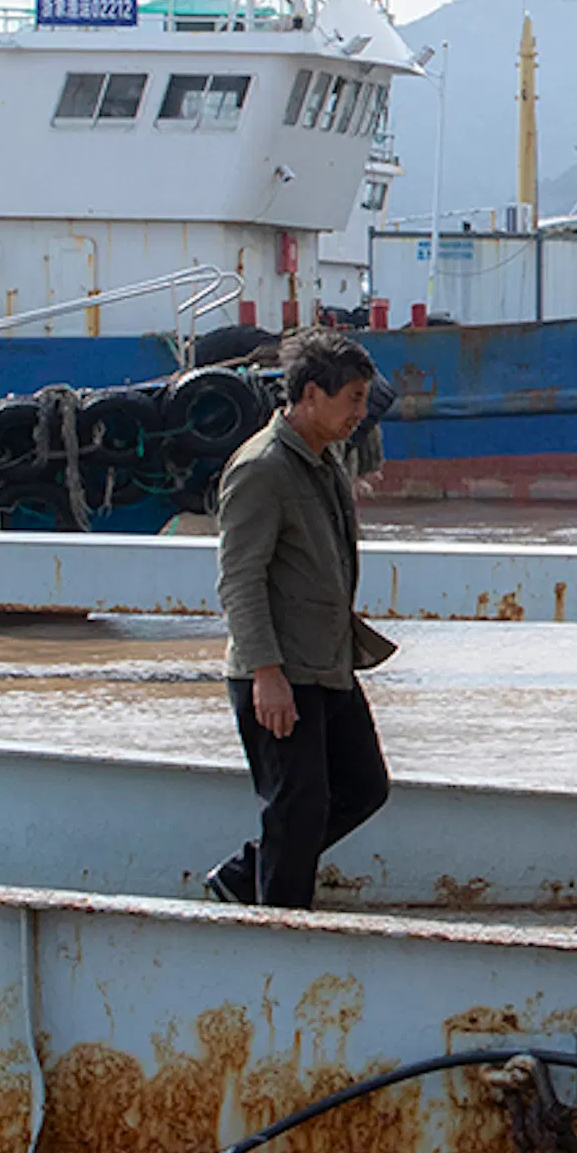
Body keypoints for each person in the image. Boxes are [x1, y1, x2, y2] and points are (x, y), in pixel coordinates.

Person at [202, 329, 398, 911]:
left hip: (327, 662)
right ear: (311, 395)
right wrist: (266, 674)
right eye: (353, 399)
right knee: (297, 805)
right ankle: (282, 930)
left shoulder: (324, 457)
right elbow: (239, 579)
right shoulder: (261, 469)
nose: (360, 414)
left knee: (364, 787)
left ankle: (243, 878)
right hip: (281, 671)